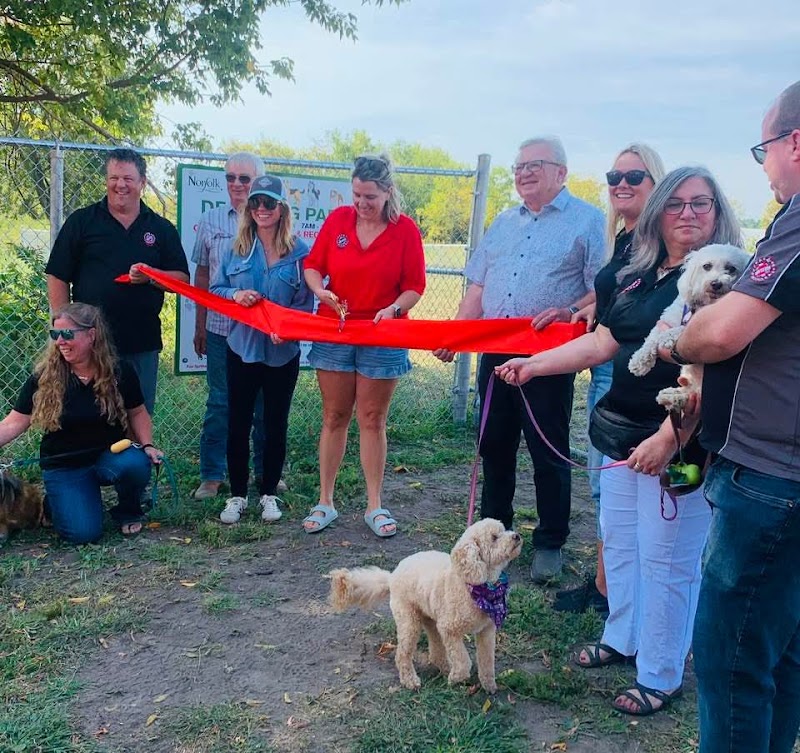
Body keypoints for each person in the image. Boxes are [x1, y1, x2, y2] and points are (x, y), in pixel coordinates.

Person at [496, 165, 742, 715]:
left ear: (717, 211)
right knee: (623, 542)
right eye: (676, 203)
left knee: (668, 558)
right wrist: (534, 364)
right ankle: (622, 636)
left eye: (700, 203)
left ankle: (660, 672)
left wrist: (669, 440)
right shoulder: (641, 273)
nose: (687, 214)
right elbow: (603, 343)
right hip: (618, 434)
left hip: (680, 445)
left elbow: (712, 377)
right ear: (658, 211)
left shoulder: (730, 286)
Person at [667, 81, 800, 751]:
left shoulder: (798, 219)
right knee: (778, 653)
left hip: (771, 477)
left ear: (794, 143)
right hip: (781, 474)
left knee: (732, 660)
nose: (764, 164)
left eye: (763, 148)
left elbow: (720, 334)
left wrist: (676, 341)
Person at [434, 136, 605, 582]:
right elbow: (477, 287)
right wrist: (455, 334)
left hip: (549, 356)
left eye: (535, 165)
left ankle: (550, 541)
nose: (524, 173)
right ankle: (495, 534)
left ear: (561, 172)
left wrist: (570, 310)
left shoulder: (588, 220)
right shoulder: (503, 221)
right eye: (519, 166)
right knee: (494, 445)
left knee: (548, 450)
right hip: (495, 353)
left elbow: (602, 290)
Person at [555, 144, 665, 616]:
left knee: (625, 486)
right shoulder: (624, 238)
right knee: (605, 485)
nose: (621, 184)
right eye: (614, 176)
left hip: (634, 376)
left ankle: (620, 591)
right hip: (606, 366)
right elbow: (617, 299)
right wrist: (582, 310)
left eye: (634, 176)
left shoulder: (659, 242)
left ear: (656, 183)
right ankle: (607, 585)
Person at [302, 154, 426, 537]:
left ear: (388, 192)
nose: (361, 203)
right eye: (356, 195)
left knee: (372, 419)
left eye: (369, 196)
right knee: (334, 416)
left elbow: (414, 286)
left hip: (382, 333)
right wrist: (320, 291)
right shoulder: (338, 221)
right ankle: (325, 501)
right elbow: (313, 265)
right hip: (336, 330)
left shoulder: (405, 230)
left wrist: (394, 309)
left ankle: (375, 505)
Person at [0, 303, 162, 543]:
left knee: (135, 463)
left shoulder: (119, 371)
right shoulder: (44, 376)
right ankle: (58, 502)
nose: (60, 342)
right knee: (83, 534)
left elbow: (137, 413)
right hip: (65, 465)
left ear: (91, 335)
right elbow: (14, 422)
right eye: (55, 334)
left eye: (67, 334)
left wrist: (147, 445)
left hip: (109, 456)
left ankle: (128, 510)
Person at [46, 148, 190, 415]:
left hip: (141, 342)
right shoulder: (82, 221)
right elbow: (57, 275)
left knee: (138, 415)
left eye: (127, 179)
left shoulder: (161, 228)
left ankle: (136, 444)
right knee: (88, 416)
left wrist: (151, 276)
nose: (120, 185)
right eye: (114, 178)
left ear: (142, 182)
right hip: (89, 341)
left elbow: (181, 280)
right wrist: (64, 326)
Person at [210, 175, 312, 524]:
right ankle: (238, 495)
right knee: (237, 423)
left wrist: (288, 328)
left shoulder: (300, 252)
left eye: (269, 203)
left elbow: (305, 304)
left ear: (282, 208)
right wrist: (235, 295)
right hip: (242, 349)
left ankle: (269, 492)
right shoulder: (236, 248)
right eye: (256, 202)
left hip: (282, 354)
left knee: (274, 424)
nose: (262, 209)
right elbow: (216, 290)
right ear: (248, 208)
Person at [191, 152, 268, 501]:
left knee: (264, 405)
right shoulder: (210, 221)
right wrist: (200, 324)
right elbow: (202, 275)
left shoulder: (271, 221)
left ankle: (266, 472)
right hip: (221, 330)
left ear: (258, 182)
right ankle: (212, 475)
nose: (236, 184)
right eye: (230, 177)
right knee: (220, 403)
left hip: (261, 333)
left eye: (244, 178)